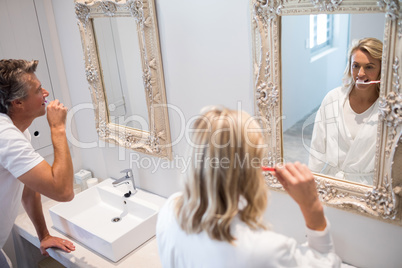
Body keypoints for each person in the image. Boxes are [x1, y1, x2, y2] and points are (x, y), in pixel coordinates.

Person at [156, 106, 341, 267]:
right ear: (249, 173)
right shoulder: (266, 251)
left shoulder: (170, 209)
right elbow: (326, 263)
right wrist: (312, 206)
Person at [0, 59, 76, 267]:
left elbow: (29, 188)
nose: (46, 93)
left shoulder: (17, 131)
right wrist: (58, 128)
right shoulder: (5, 136)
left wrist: (43, 235)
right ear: (17, 102)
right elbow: (64, 192)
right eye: (37, 90)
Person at [308, 37, 383, 185]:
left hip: (367, 190)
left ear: (382, 70)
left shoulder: (388, 108)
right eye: (355, 66)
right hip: (329, 185)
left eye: (369, 67)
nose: (360, 73)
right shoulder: (332, 99)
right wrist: (309, 185)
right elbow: (316, 149)